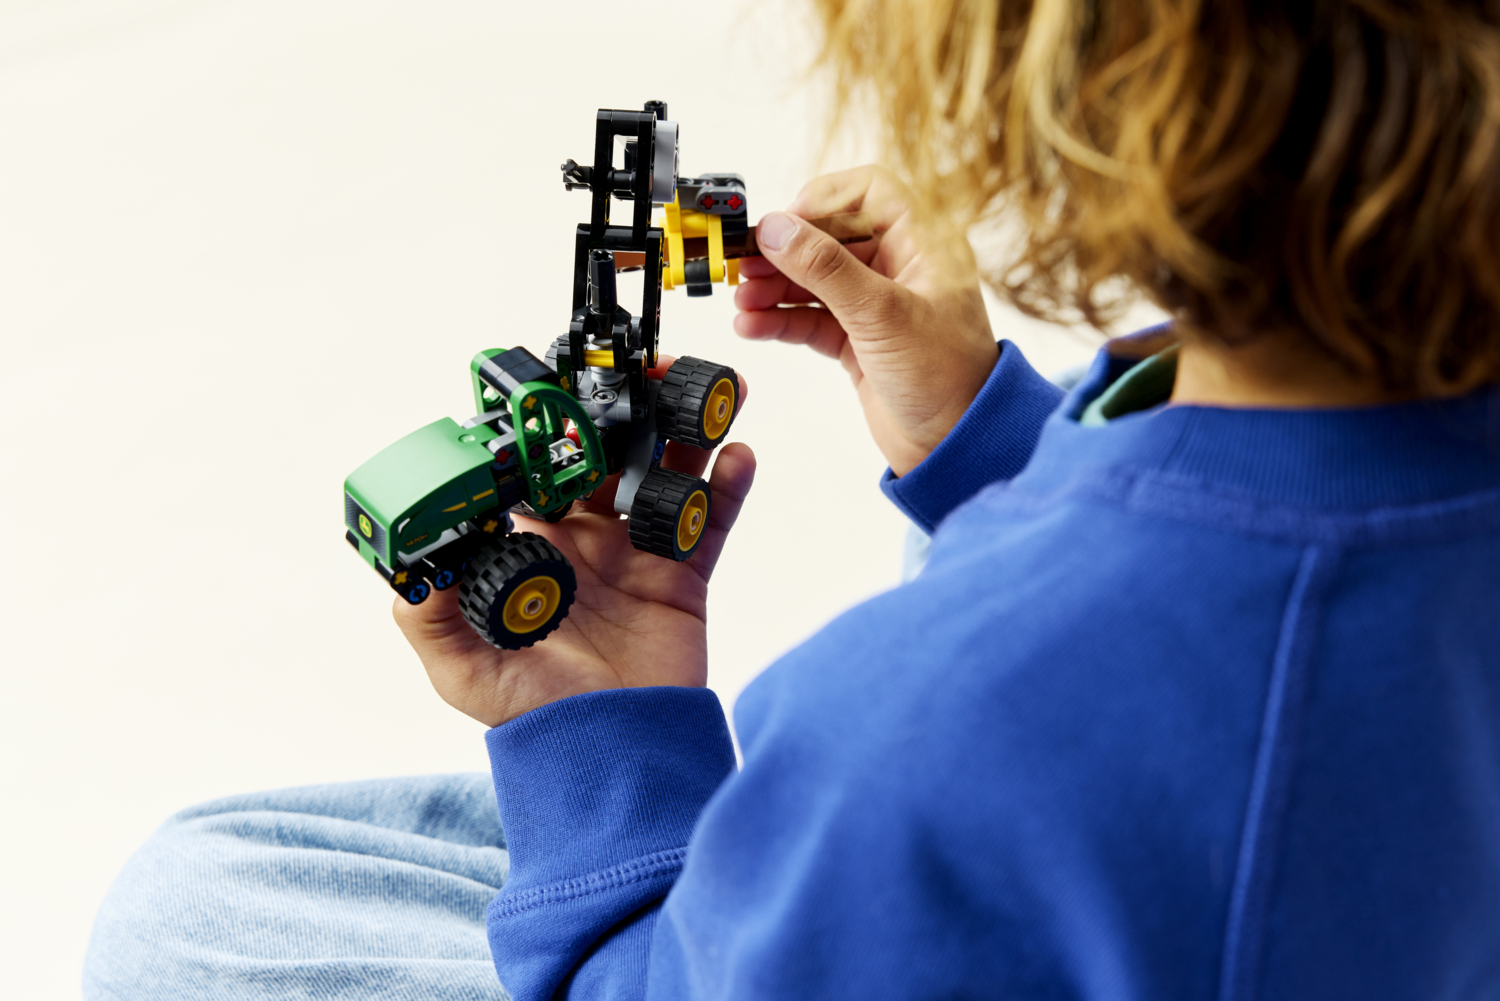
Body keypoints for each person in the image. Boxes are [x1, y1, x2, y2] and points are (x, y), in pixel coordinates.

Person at [87, 0, 1500, 998]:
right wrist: (981, 440)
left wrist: (605, 724)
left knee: (190, 908)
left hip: (921, 866)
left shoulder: (919, 718)